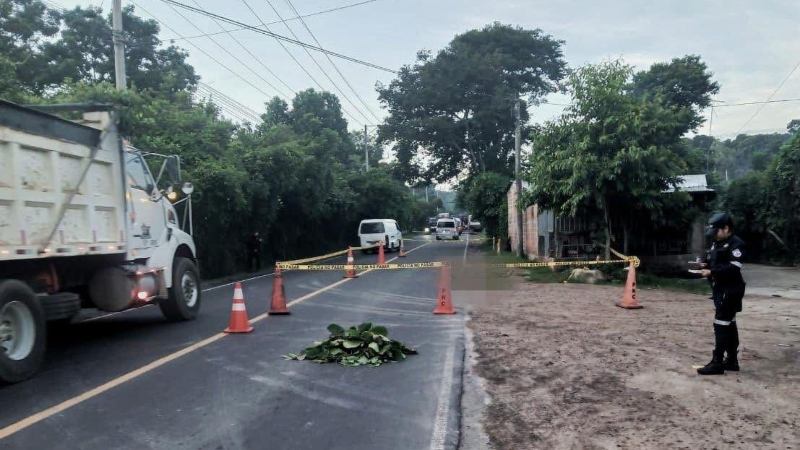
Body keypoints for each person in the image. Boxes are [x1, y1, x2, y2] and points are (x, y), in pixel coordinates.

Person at [696, 212, 746, 375]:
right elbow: (715, 261)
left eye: (716, 231)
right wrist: (706, 264)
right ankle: (731, 360)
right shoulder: (717, 243)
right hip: (721, 290)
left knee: (721, 325)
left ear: (726, 228)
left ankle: (717, 362)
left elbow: (733, 268)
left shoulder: (736, 244)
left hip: (730, 291)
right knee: (729, 324)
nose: (714, 236)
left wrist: (711, 271)